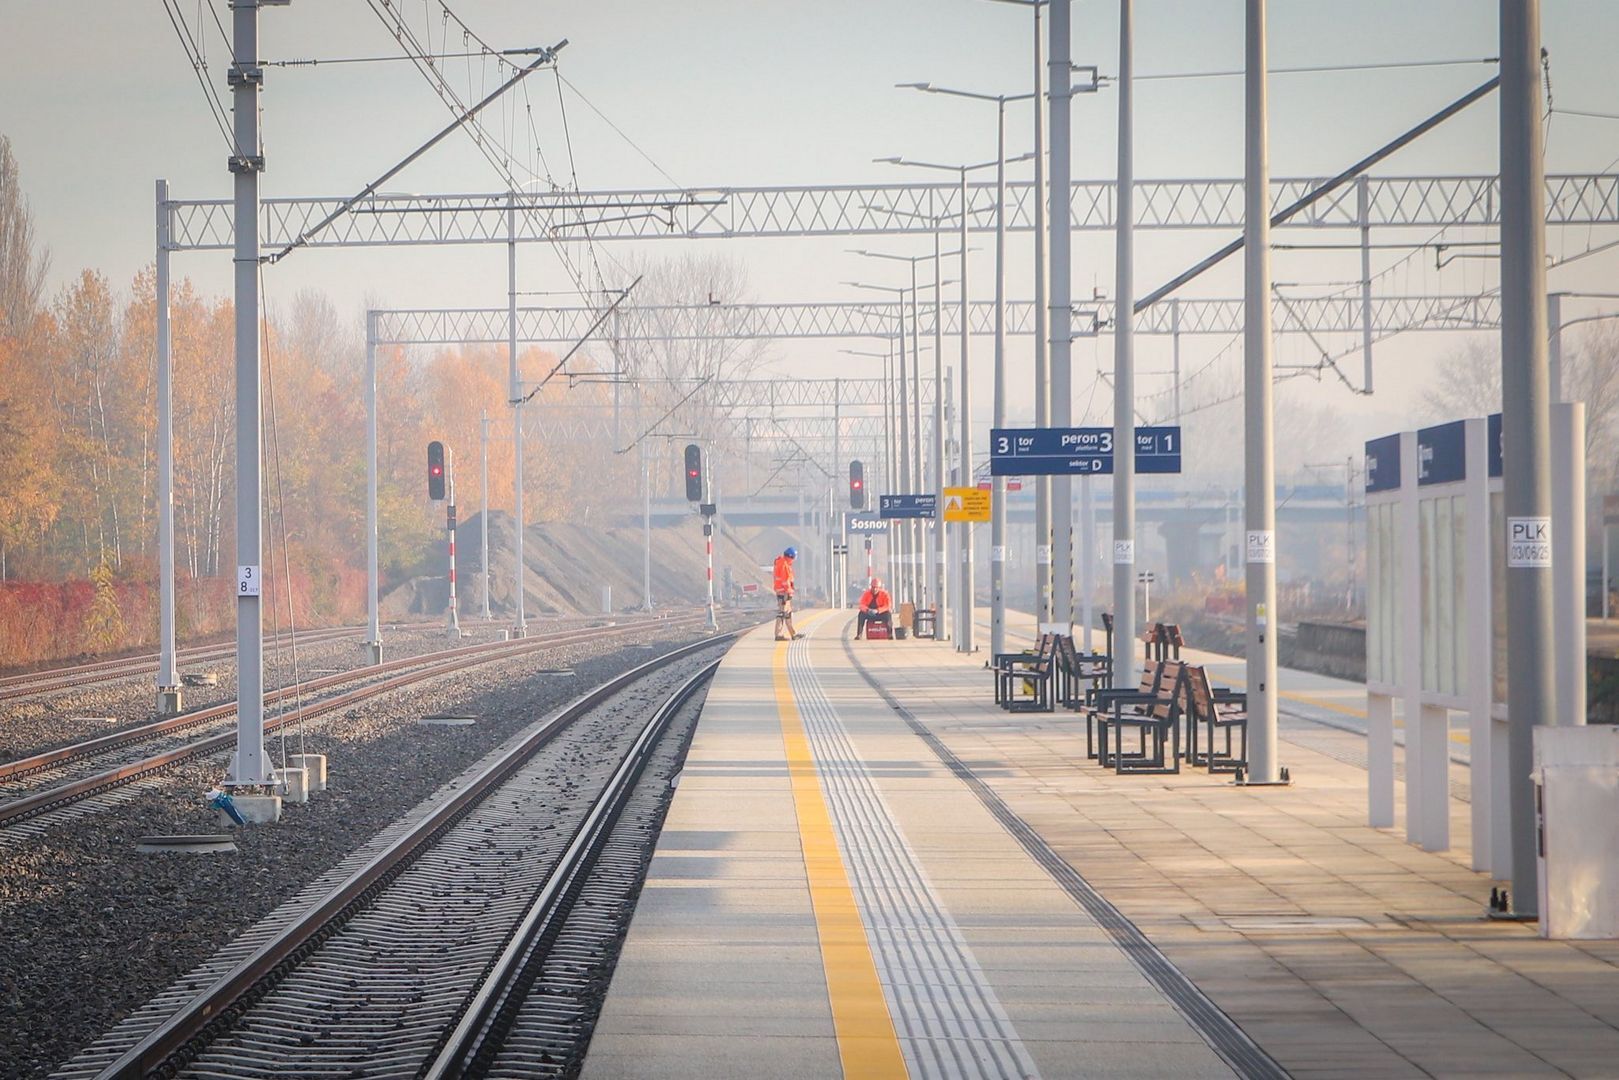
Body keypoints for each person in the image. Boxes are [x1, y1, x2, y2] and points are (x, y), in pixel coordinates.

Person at [773, 546, 801, 641]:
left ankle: (793, 634)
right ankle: (778, 634)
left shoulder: (781, 562)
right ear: (790, 556)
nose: (794, 560)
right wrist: (788, 592)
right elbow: (785, 581)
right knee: (782, 612)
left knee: (787, 613)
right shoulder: (784, 565)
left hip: (782, 591)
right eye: (794, 557)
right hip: (784, 592)